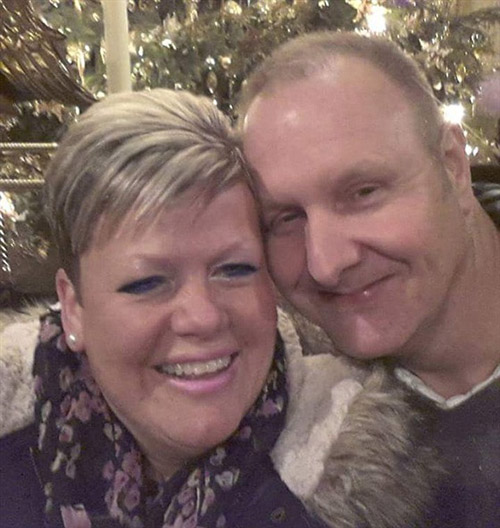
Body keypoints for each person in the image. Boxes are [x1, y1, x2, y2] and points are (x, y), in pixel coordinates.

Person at [0, 88, 434, 528]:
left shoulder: (375, 479)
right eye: (148, 283)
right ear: (73, 307)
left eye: (234, 270)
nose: (203, 317)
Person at [239, 31, 500, 528]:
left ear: (453, 167)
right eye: (286, 218)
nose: (326, 264)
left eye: (363, 192)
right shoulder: (273, 416)